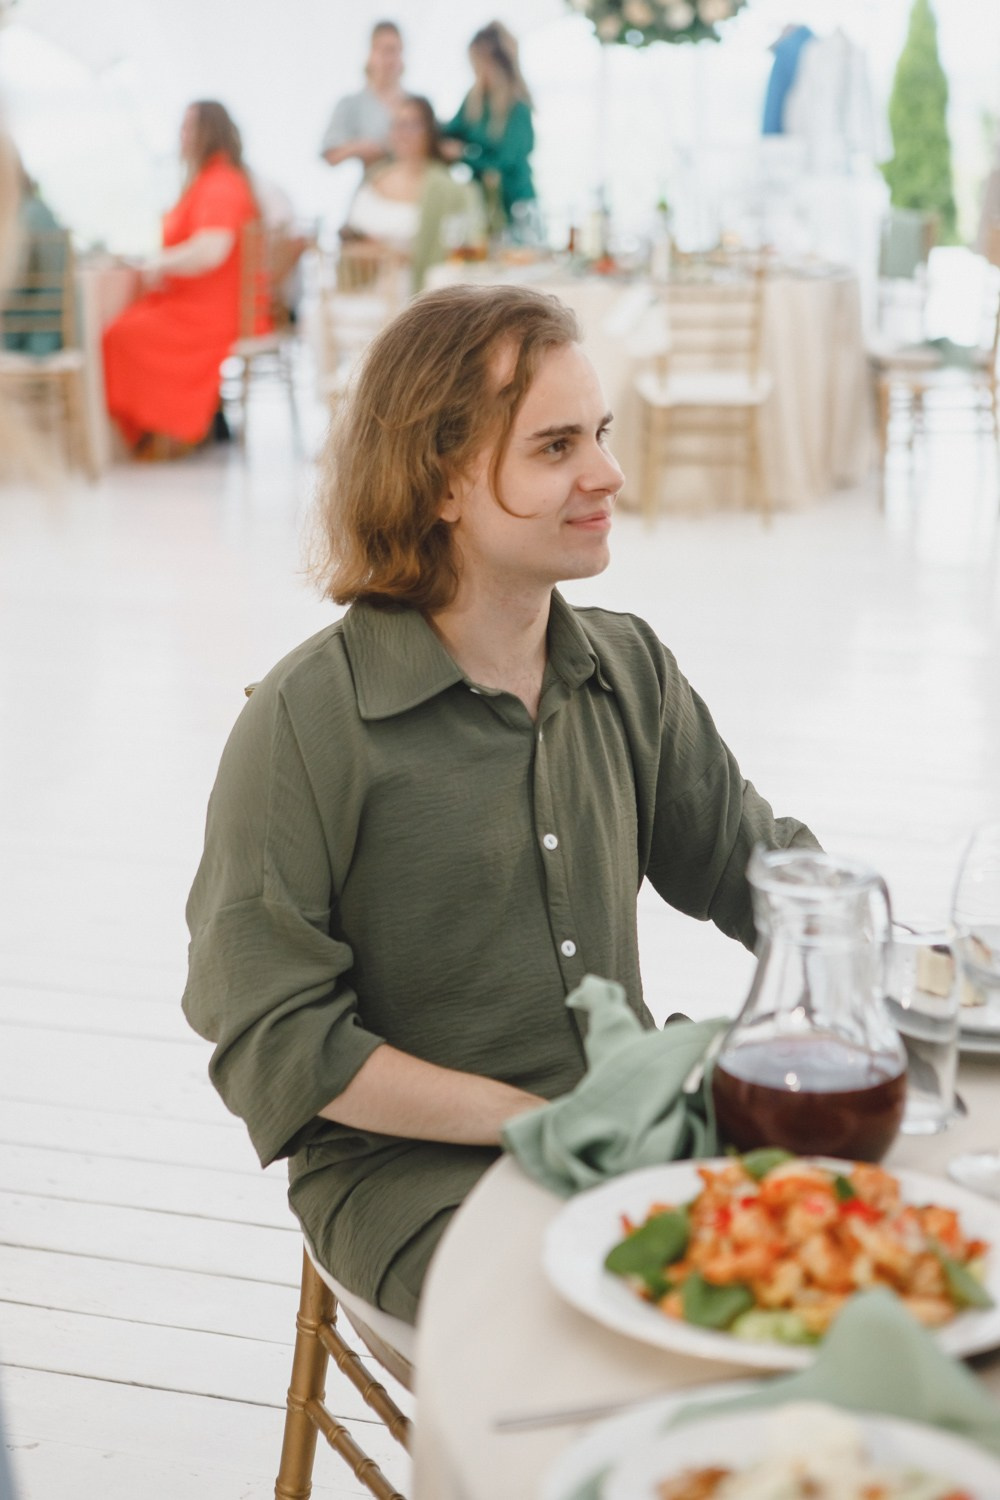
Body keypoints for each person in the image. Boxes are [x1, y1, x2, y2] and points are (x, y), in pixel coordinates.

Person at [182, 283, 819, 1324]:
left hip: (625, 1132)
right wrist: (536, 1122)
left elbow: (756, 864)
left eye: (600, 434)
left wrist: (887, 954)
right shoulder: (306, 723)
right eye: (556, 445)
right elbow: (273, 1036)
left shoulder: (627, 667)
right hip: (415, 1183)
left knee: (836, 1257)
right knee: (654, 1319)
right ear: (439, 483)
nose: (607, 473)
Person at [102, 100, 264, 456]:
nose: (182, 135)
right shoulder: (210, 181)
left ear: (208, 132)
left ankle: (170, 429)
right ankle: (166, 430)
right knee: (128, 327)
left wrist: (161, 263)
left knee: (122, 335)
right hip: (193, 302)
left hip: (212, 311)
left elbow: (213, 248)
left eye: (189, 127)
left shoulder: (221, 183)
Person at [342, 95, 483, 292]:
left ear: (430, 131)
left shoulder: (450, 190)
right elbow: (349, 234)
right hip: (357, 288)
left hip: (414, 293)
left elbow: (462, 253)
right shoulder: (374, 176)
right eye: (397, 125)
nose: (403, 133)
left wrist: (389, 254)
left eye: (412, 125)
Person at [442, 21, 536, 228]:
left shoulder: (518, 107)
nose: (476, 71)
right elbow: (451, 131)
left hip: (515, 205)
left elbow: (505, 162)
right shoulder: (475, 100)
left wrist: (463, 155)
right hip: (483, 204)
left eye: (478, 63)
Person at [319, 20, 404, 172]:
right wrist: (360, 147)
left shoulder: (415, 104)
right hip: (374, 186)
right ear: (372, 53)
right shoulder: (352, 103)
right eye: (386, 51)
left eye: (396, 51)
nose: (391, 59)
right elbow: (330, 154)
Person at [3, 152, 65, 355]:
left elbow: (14, 288)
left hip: (25, 336)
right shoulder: (38, 211)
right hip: (45, 330)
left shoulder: (23, 219)